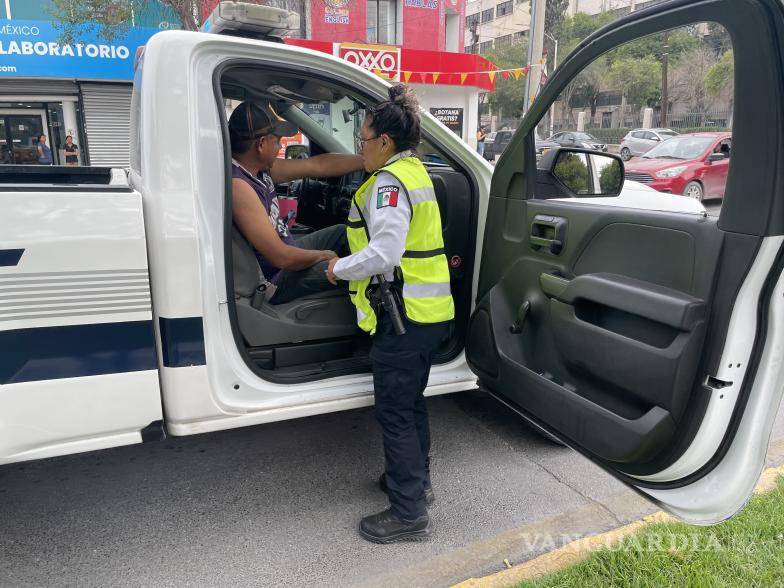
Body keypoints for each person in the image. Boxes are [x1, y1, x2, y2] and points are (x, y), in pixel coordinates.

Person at [326, 85, 455, 543]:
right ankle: (417, 482)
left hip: (406, 316)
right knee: (411, 403)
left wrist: (338, 268)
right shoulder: (413, 170)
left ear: (384, 141)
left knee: (397, 411)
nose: (359, 147)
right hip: (429, 311)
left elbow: (383, 254)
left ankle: (408, 512)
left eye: (362, 139)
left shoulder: (387, 184)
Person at [229, 100, 365, 304]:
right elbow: (281, 257)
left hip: (287, 257)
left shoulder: (259, 169)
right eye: (277, 140)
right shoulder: (239, 186)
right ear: (261, 144)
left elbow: (317, 166)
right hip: (275, 279)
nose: (280, 145)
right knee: (361, 270)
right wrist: (322, 256)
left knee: (342, 233)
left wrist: (367, 161)